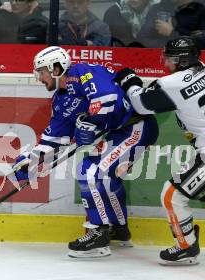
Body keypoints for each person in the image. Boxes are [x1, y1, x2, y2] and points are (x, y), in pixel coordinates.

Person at [13, 46, 159, 258]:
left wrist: (90, 122)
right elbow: (54, 139)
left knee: (91, 172)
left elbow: (108, 99)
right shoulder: (61, 101)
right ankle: (118, 229)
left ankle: (98, 233)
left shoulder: (84, 73)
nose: (39, 77)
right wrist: (31, 161)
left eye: (41, 72)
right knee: (104, 176)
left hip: (137, 126)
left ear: (56, 68)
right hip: (120, 132)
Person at [115, 36, 205, 265]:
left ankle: (186, 246)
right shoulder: (203, 68)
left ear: (182, 60)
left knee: (171, 194)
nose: (165, 63)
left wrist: (129, 80)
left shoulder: (172, 84)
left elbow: (140, 104)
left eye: (169, 59)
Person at [137, 0, 205, 48]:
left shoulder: (204, 8)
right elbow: (142, 39)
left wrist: (172, 33)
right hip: (157, 61)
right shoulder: (157, 9)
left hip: (190, 62)